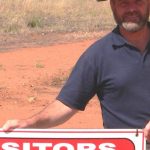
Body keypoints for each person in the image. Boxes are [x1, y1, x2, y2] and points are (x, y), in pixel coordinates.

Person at [2, 0, 150, 148]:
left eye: (138, 2)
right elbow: (66, 105)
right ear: (113, 6)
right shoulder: (98, 55)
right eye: (124, 3)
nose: (131, 9)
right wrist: (29, 124)